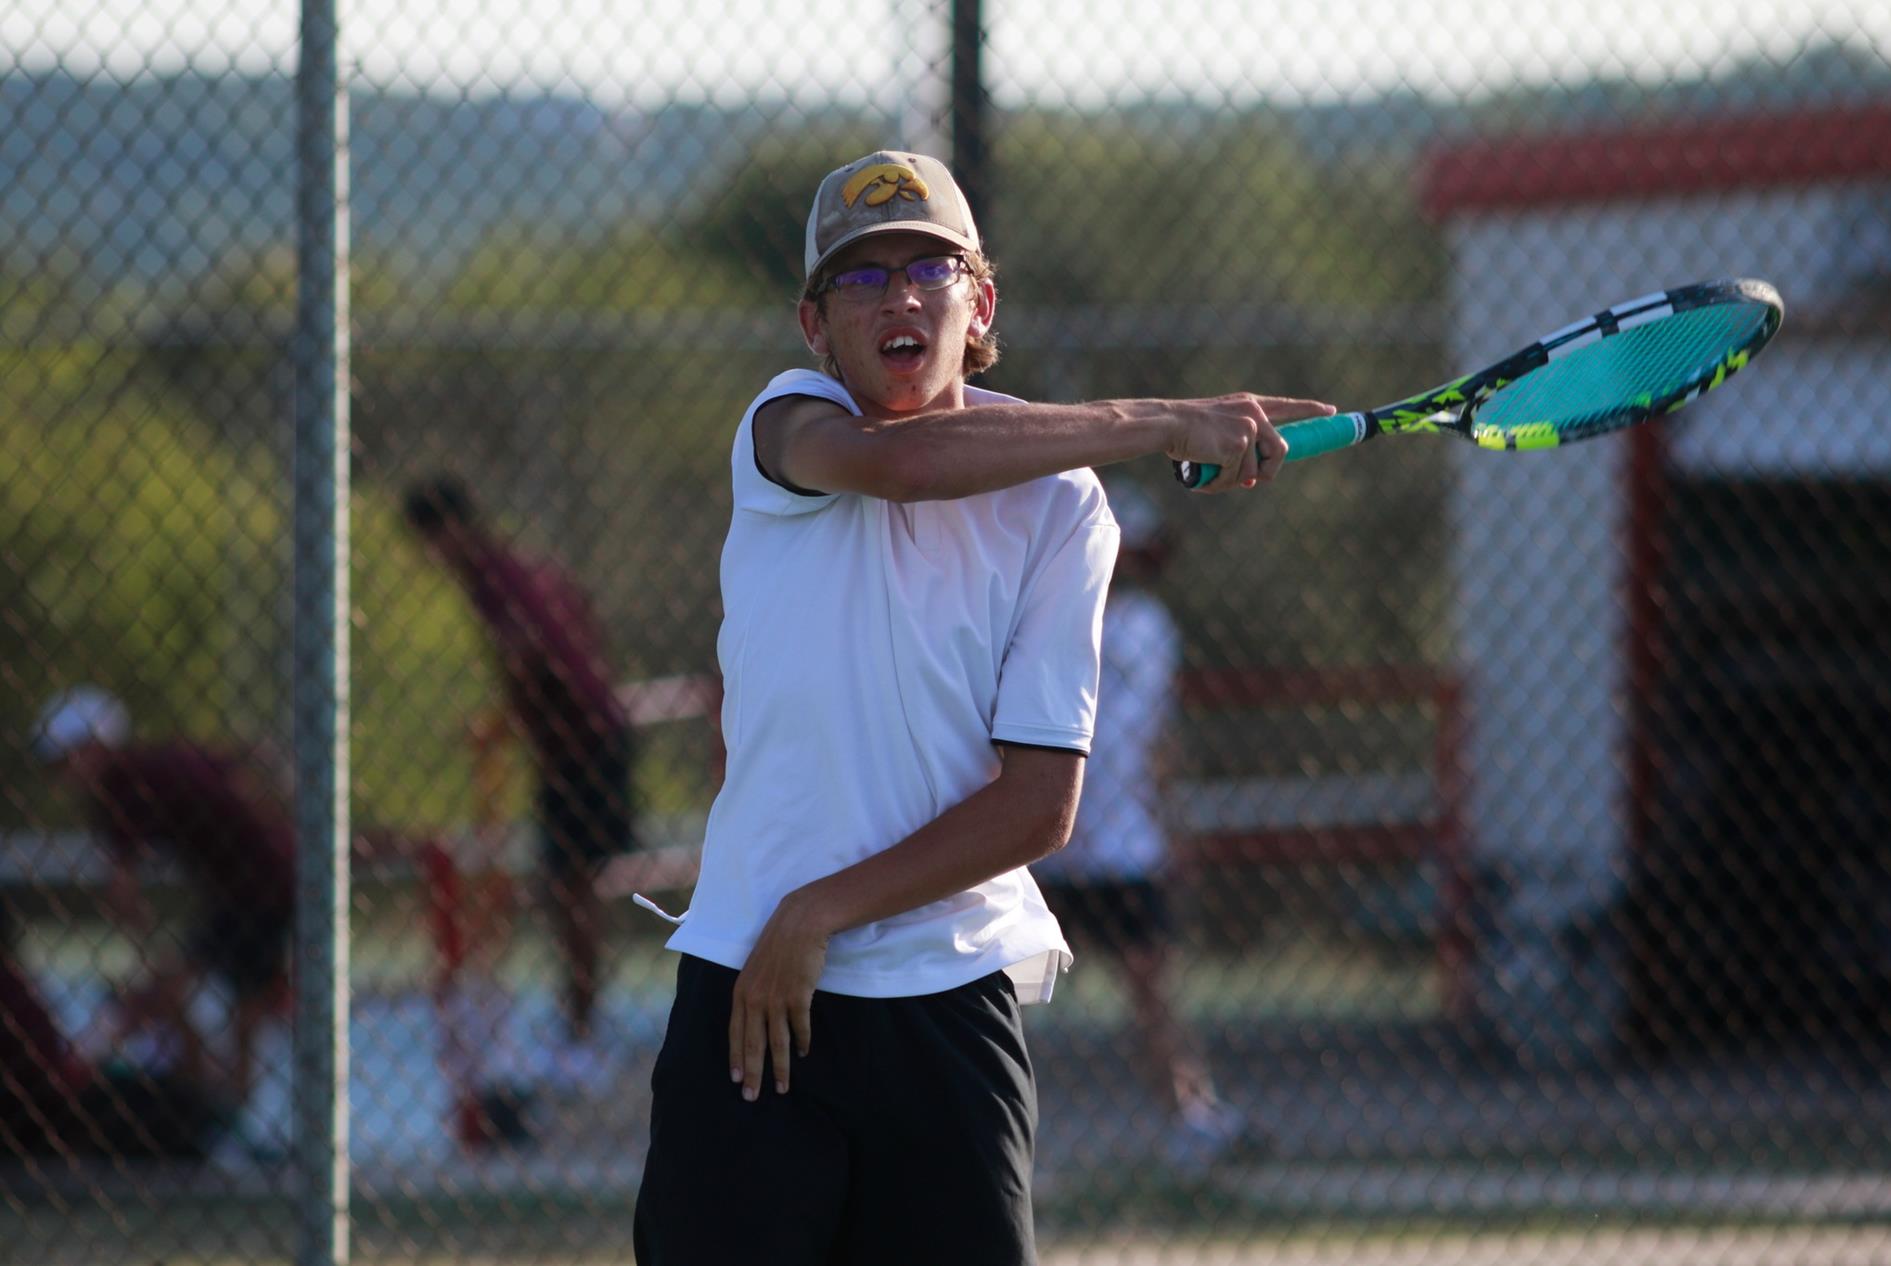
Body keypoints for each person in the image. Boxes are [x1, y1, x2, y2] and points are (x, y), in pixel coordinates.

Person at [631, 149, 1333, 1265]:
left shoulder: (1065, 508)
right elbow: (902, 465)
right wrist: (1161, 420)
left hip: (944, 1002)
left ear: (980, 301)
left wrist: (820, 912)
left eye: (929, 267)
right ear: (814, 327)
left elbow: (1037, 808)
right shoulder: (788, 425)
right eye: (860, 279)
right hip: (748, 992)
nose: (899, 296)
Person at [1031, 476, 1245, 1170]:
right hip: (1042, 842)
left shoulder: (1151, 629)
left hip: (1125, 845)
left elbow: (1158, 738)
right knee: (1000, 988)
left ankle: (1192, 1117)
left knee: (1152, 985)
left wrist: (1170, 826)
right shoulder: (1045, 617)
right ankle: (999, 1132)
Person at [401, 476, 635, 1083]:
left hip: (583, 745)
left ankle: (583, 1036)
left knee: (571, 889)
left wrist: (505, 720)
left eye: (429, 541)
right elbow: (578, 615)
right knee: (570, 887)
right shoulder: (519, 567)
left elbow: (527, 653)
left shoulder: (495, 580)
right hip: (579, 741)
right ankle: (580, 1027)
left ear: (449, 530)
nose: (431, 558)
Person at [31, 686, 294, 1125]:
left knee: (183, 994)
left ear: (95, 747)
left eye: (66, 761)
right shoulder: (158, 763)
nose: (64, 777)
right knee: (237, 1009)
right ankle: (223, 1111)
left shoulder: (123, 787)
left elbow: (122, 886)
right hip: (251, 889)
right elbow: (244, 756)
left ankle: (215, 1110)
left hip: (257, 891)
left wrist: (146, 950)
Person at [1, 896, 228, 1164]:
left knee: (174, 1103)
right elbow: (62, 1075)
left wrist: (178, 1019)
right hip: (51, 1114)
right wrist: (121, 1023)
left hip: (134, 1106)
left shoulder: (206, 1008)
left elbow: (217, 1089)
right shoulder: (72, 997)